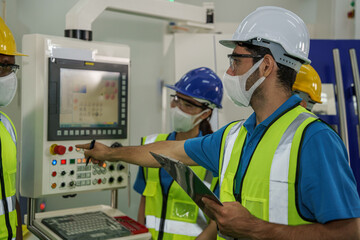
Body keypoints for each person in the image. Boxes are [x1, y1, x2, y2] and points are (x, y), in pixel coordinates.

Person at [77, 6, 360, 239]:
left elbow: (349, 232)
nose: (229, 70)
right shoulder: (234, 135)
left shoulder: (313, 139)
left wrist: (256, 229)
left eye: (236, 60)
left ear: (266, 65)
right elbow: (171, 151)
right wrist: (109, 153)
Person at [134, 67, 223, 240]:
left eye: (187, 104)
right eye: (176, 99)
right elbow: (144, 201)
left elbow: (218, 220)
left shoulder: (213, 156)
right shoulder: (151, 145)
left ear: (206, 113)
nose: (177, 108)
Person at [0, 17, 25, 240]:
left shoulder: (6, 124)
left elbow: (10, 191)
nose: (9, 76)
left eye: (11, 66)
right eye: (2, 66)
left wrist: (19, 233)